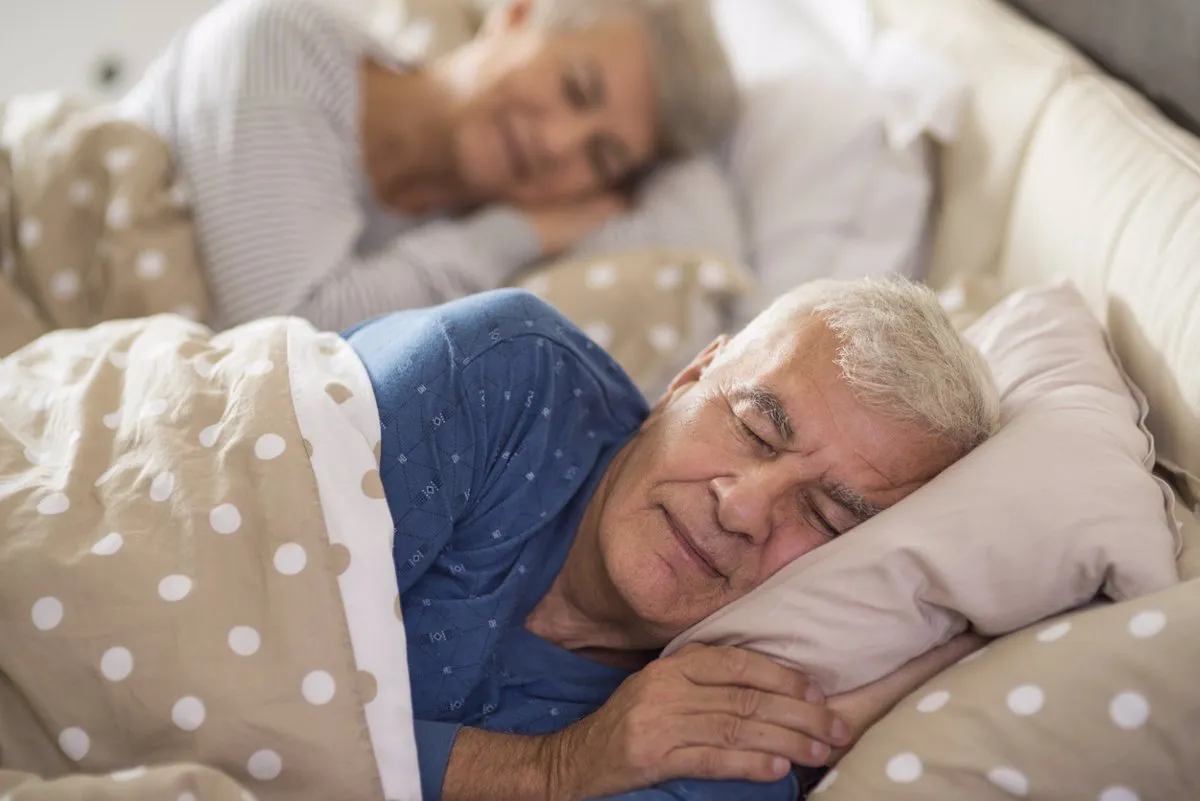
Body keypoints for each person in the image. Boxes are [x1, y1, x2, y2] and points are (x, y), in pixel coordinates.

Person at [341, 276, 1000, 800]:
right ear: (690, 377)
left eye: (826, 517)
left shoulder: (731, 729)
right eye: (753, 430)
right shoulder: (502, 373)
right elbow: (270, 676)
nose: (741, 507)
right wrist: (550, 770)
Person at [117, 0, 743, 332]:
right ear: (517, 13)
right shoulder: (283, 45)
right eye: (576, 88)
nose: (558, 144)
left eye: (601, 156)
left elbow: (704, 246)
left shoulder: (460, 236)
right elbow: (287, 338)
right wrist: (519, 232)